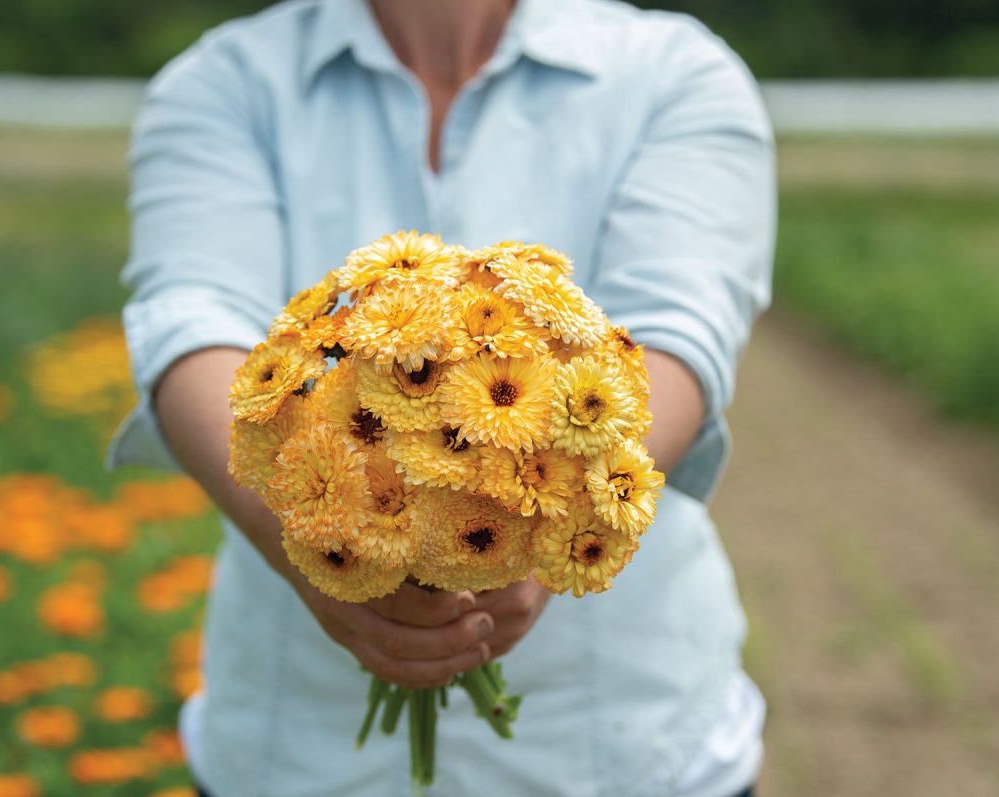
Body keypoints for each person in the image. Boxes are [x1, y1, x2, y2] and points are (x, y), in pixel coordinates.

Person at [110, 0, 776, 794]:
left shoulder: (676, 74)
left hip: (620, 747)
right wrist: (328, 546)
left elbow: (678, 331)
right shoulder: (223, 83)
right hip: (299, 755)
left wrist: (539, 531)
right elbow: (193, 322)